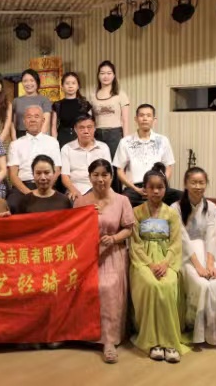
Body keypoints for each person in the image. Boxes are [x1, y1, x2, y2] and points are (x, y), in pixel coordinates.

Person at [74, 159, 134, 364]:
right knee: (83, 286)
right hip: (87, 255)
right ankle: (84, 334)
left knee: (107, 287)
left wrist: (114, 238)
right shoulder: (81, 201)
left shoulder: (122, 200)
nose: (100, 179)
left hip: (113, 253)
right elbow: (73, 230)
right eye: (96, 175)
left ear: (111, 176)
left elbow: (129, 228)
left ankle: (109, 341)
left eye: (104, 175)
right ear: (89, 177)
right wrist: (87, 219)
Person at [129, 163, 189, 363]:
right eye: (151, 187)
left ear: (165, 189)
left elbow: (176, 243)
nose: (155, 191)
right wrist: (150, 264)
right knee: (151, 284)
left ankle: (170, 341)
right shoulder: (136, 212)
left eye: (160, 187)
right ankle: (152, 341)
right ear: (144, 189)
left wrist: (165, 263)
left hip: (166, 259)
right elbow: (135, 244)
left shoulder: (171, 213)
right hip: (143, 260)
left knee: (168, 284)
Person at [171, 167, 216, 349]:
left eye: (201, 182)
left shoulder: (212, 207)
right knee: (201, 284)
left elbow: (212, 237)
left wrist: (210, 265)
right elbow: (183, 239)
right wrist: (199, 267)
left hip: (208, 253)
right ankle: (196, 329)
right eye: (193, 182)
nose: (198, 186)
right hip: (186, 256)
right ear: (185, 184)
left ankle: (213, 331)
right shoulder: (175, 208)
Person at [114, 104, 182, 207]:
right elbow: (119, 170)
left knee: (182, 197)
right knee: (121, 202)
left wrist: (160, 186)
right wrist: (135, 189)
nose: (145, 118)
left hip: (158, 186)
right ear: (136, 119)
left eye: (148, 115)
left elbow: (168, 167)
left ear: (154, 120)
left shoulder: (162, 140)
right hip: (135, 188)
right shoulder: (125, 142)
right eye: (141, 115)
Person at [7, 106, 62, 214]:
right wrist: (29, 193)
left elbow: (57, 170)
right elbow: (13, 175)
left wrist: (45, 189)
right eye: (29, 117)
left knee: (60, 204)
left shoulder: (52, 142)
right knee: (12, 203)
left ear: (43, 120)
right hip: (23, 186)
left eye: (36, 116)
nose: (32, 120)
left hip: (47, 185)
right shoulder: (15, 144)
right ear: (24, 121)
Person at [88, 61, 129, 192]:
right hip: (97, 134)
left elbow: (125, 120)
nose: (105, 76)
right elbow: (90, 119)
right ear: (98, 75)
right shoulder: (93, 95)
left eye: (109, 73)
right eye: (102, 73)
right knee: (99, 166)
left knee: (114, 167)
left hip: (115, 134)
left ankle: (116, 195)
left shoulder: (120, 94)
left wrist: (125, 141)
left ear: (114, 75)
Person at [61, 115, 111, 201]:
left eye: (89, 127)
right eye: (82, 128)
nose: (86, 131)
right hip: (76, 188)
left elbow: (108, 174)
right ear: (75, 129)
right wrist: (74, 190)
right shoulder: (67, 148)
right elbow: (65, 176)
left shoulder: (103, 147)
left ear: (94, 128)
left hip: (99, 187)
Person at [51, 72, 92, 148]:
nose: (70, 86)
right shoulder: (57, 105)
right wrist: (55, 144)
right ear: (62, 86)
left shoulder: (85, 104)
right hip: (63, 139)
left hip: (81, 138)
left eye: (73, 83)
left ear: (78, 86)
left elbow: (90, 126)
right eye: (67, 83)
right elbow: (53, 127)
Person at [12, 69, 51, 139]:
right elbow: (13, 124)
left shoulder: (44, 100)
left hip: (39, 135)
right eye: (25, 81)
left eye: (32, 80)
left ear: (37, 82)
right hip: (20, 135)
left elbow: (46, 123)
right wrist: (14, 140)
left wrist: (38, 139)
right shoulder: (16, 101)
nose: (28, 84)